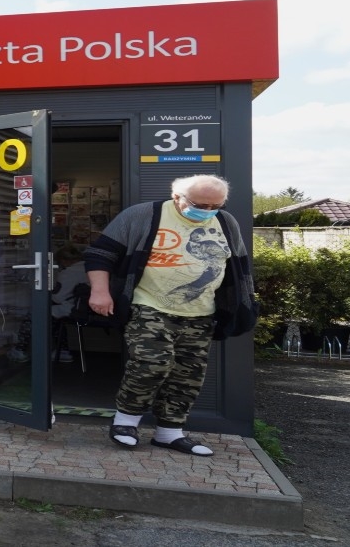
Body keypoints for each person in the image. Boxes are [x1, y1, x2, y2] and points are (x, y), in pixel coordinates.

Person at [83, 174, 257, 457]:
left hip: (201, 312)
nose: (209, 211)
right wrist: (100, 292)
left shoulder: (226, 222)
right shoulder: (143, 216)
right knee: (152, 362)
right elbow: (100, 254)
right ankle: (126, 421)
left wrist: (244, 302)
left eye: (216, 205)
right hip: (148, 304)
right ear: (177, 197)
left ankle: (169, 432)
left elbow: (239, 265)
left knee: (188, 373)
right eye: (201, 205)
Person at [50, 245, 88, 363]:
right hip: (90, 310)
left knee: (42, 313)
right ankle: (63, 350)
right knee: (56, 314)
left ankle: (21, 348)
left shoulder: (69, 273)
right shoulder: (90, 268)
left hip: (76, 310)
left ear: (63, 261)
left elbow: (58, 297)